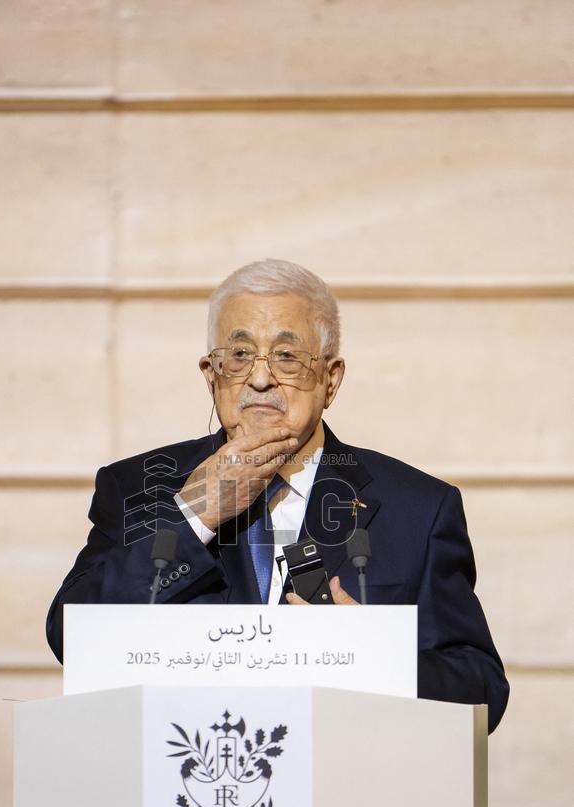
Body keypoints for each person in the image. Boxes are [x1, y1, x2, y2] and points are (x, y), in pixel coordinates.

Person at [46, 259, 509, 732]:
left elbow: (482, 693)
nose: (261, 379)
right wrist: (192, 516)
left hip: (344, 788)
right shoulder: (138, 486)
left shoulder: (417, 509)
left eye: (287, 357)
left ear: (331, 380)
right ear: (211, 374)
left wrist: (370, 656)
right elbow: (74, 638)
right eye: (240, 355)